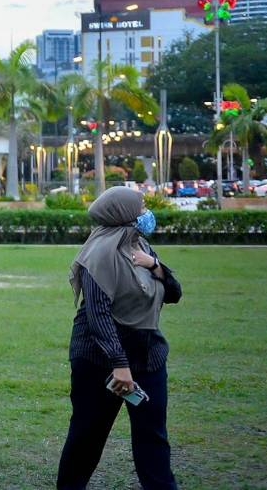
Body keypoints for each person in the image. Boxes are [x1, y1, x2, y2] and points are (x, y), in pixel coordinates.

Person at [57, 186, 183, 490]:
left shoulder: (141, 247)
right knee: (88, 435)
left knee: (153, 437)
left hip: (148, 355)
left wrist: (154, 265)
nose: (145, 213)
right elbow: (97, 315)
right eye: (140, 208)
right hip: (99, 359)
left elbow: (175, 294)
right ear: (123, 214)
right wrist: (119, 364)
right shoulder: (98, 254)